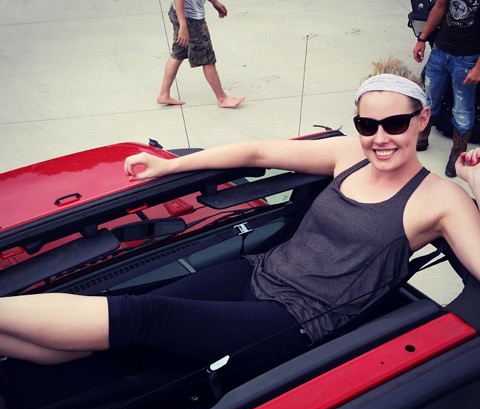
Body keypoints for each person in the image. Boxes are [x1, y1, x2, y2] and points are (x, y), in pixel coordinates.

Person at [1, 66, 480, 367]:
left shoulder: (441, 200)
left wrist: (476, 182)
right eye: (367, 124)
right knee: (121, 311)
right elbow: (256, 152)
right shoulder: (349, 154)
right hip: (259, 272)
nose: (380, 138)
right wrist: (170, 166)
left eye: (395, 123)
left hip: (297, 318)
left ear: (422, 119)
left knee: (143, 317)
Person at [412, 0, 480, 177]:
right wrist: (422, 39)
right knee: (429, 98)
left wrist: (478, 67)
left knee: (462, 110)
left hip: (467, 59)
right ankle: (421, 137)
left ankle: (457, 153)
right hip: (440, 51)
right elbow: (440, 7)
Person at [156, 0, 244, 108]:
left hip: (181, 14)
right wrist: (183, 26)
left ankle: (163, 94)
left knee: (179, 52)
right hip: (190, 20)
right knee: (207, 58)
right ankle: (222, 99)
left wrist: (214, 2)